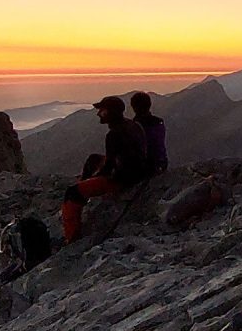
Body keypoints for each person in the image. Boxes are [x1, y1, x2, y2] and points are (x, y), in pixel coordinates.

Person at [60, 95, 147, 243]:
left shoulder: (114, 134)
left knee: (72, 192)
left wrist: (93, 179)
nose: (99, 113)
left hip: (123, 179)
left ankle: (72, 237)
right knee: (94, 159)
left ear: (110, 112)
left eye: (102, 110)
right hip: (139, 171)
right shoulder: (133, 125)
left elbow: (109, 167)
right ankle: (84, 186)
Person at [130, 91, 168, 176]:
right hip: (161, 163)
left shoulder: (134, 126)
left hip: (144, 168)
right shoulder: (159, 122)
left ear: (134, 107)